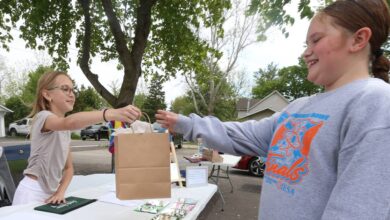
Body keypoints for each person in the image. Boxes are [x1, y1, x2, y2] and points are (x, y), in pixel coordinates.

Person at [156, 0, 390, 219]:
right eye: (306, 44)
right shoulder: (298, 107)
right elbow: (243, 135)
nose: (306, 52)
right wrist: (185, 123)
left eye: (316, 40)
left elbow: (357, 210)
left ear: (358, 39)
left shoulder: (375, 103)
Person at [12, 71, 141, 205]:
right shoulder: (43, 117)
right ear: (47, 94)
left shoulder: (64, 130)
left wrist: (60, 192)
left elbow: (69, 169)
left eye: (73, 90)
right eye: (65, 89)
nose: (71, 94)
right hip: (31, 193)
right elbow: (69, 122)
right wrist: (110, 113)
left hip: (51, 195)